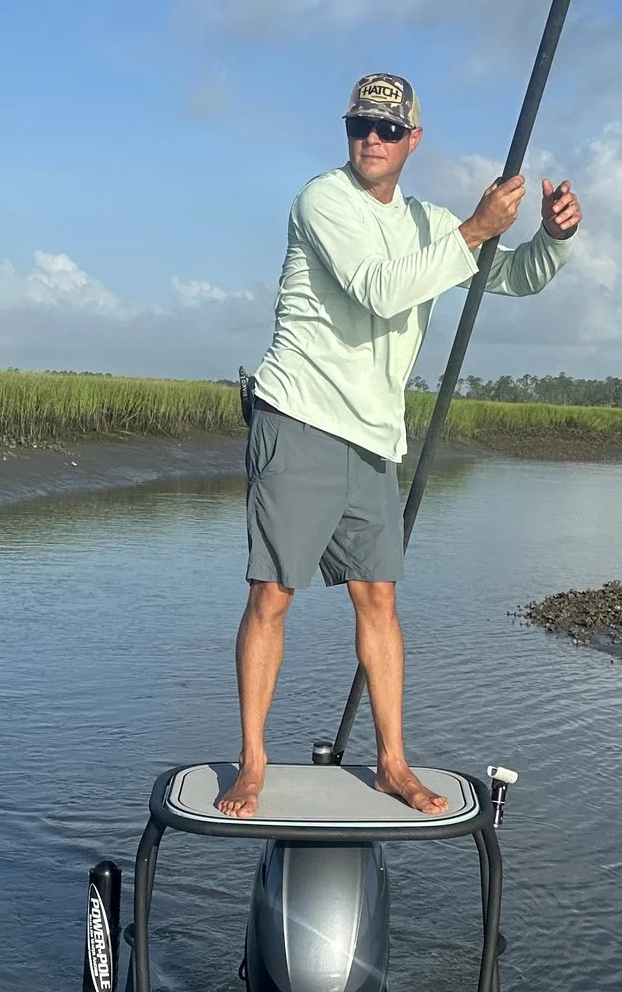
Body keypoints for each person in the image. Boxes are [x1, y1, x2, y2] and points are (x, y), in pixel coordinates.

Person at [218, 72, 580, 818]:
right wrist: (474, 229)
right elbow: (380, 288)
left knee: (378, 596)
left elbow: (508, 278)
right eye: (361, 126)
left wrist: (553, 237)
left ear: (414, 140)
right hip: (302, 416)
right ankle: (252, 761)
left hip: (374, 434)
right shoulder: (322, 200)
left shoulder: (427, 221)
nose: (372, 140)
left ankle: (392, 763)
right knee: (273, 593)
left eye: (388, 129)